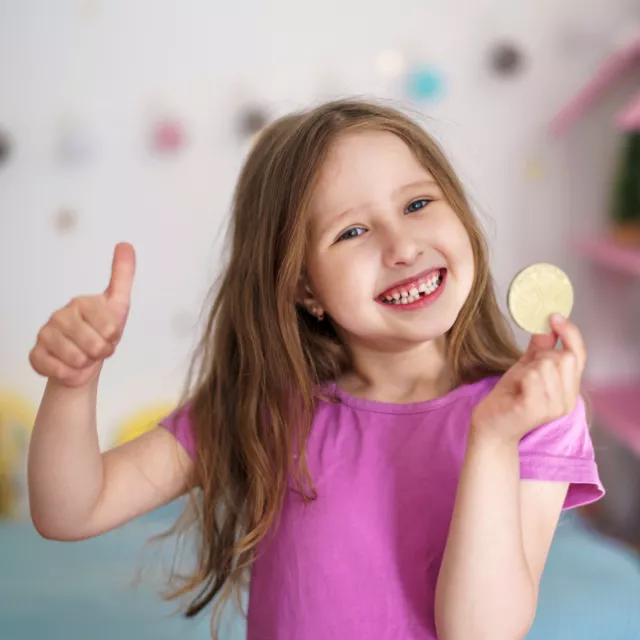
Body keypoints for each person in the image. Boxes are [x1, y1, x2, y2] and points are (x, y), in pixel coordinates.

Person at [27, 99, 604, 640]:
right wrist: (73, 384)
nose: (401, 245)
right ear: (304, 286)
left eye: (417, 204)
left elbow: (480, 631)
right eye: (352, 231)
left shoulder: (534, 414)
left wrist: (493, 439)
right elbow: (72, 509)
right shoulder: (266, 408)